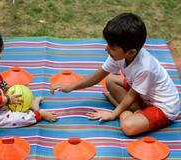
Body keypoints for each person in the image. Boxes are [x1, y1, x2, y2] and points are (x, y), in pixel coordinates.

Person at [50, 13, 180, 136]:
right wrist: (70, 87)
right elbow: (97, 77)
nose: (106, 49)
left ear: (131, 52)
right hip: (143, 95)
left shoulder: (145, 68)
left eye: (112, 47)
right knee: (110, 80)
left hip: (162, 107)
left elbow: (131, 95)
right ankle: (135, 110)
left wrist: (113, 114)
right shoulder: (119, 56)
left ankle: (127, 111)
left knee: (128, 127)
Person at [0, 27, 56, 128]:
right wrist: (8, 99)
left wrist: (6, 88)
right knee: (17, 119)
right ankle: (37, 114)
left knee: (19, 95)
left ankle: (31, 103)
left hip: (2, 102)